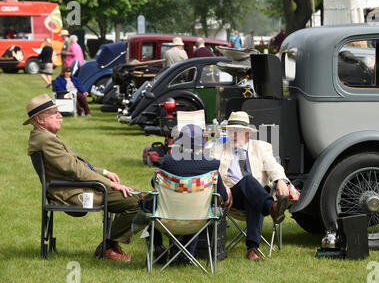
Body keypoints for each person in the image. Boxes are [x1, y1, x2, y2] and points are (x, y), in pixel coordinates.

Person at [25, 94, 139, 262]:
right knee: (136, 202)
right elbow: (77, 171)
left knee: (135, 196)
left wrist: (105, 173)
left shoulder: (43, 137)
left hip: (74, 187)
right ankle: (108, 247)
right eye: (54, 113)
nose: (60, 116)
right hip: (71, 194)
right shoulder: (46, 140)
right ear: (39, 119)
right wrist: (111, 185)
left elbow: (77, 166)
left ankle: (111, 245)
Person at [139, 124, 230, 265]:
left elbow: (154, 183)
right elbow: (222, 197)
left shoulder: (169, 162)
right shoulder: (211, 165)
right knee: (197, 205)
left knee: (149, 204)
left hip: (165, 218)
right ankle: (187, 255)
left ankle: (158, 246)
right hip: (199, 221)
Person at [209, 111, 290, 261]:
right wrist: (222, 187)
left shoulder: (262, 147)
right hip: (232, 196)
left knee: (253, 194)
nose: (233, 135)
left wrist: (280, 180)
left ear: (247, 133)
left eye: (238, 132)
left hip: (256, 195)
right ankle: (272, 207)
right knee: (248, 181)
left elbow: (273, 166)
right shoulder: (218, 150)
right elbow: (211, 172)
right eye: (231, 131)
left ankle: (252, 249)